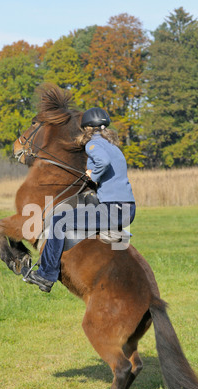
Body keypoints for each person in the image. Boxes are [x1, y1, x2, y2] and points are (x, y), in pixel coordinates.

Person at [24, 107, 136, 292]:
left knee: (60, 221)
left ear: (87, 129)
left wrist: (93, 174)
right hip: (126, 208)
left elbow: (102, 163)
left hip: (113, 210)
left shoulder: (92, 144)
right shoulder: (113, 147)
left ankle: (46, 275)